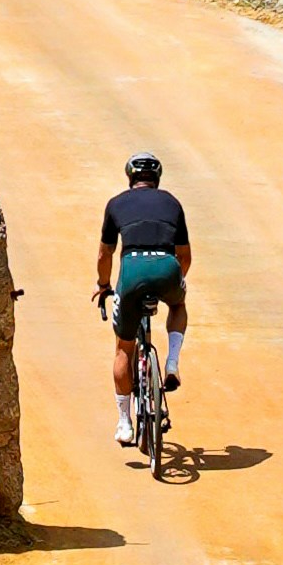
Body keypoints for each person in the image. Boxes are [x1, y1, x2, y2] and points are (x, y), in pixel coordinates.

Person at [95, 151, 191, 447]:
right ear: (156, 179)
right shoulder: (172, 202)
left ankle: (125, 423)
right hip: (166, 266)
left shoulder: (116, 204)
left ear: (130, 178)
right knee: (178, 304)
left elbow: (104, 254)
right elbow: (185, 256)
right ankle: (172, 362)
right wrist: (175, 279)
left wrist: (104, 286)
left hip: (132, 270)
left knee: (124, 349)